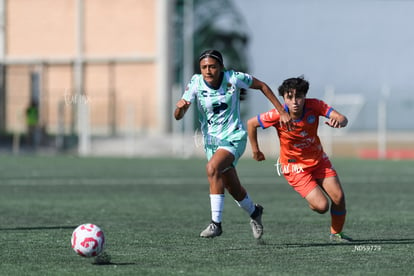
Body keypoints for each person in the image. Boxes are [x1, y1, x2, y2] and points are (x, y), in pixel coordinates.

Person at [174, 49, 292, 239]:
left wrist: (281, 111)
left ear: (221, 67)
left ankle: (216, 224)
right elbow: (178, 116)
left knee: (212, 168)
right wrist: (180, 109)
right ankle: (255, 213)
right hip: (212, 143)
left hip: (234, 137)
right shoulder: (196, 82)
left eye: (212, 66)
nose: (208, 71)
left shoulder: (233, 78)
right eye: (204, 67)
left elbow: (262, 86)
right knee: (232, 187)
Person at [247, 76, 352, 242]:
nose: (295, 101)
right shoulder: (277, 114)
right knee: (322, 206)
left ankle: (336, 234)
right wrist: (256, 150)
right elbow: (251, 124)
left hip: (319, 161)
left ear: (305, 96)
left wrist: (339, 121)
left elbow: (342, 118)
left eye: (299, 96)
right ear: (283, 98)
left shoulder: (315, 105)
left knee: (339, 197)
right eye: (290, 97)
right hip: (294, 167)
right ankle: (314, 200)